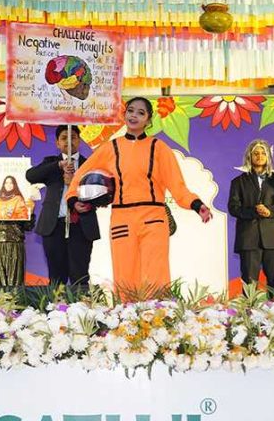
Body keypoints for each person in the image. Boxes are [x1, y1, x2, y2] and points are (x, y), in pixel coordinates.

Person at [66, 97, 213, 291]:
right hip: (121, 220)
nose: (134, 115)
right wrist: (73, 199)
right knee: (125, 276)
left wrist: (196, 205)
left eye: (141, 113)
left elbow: (177, 186)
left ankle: (158, 310)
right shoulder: (110, 148)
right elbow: (81, 174)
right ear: (124, 114)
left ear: (148, 120)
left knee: (156, 274)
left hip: (154, 218)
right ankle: (127, 311)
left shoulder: (159, 148)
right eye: (131, 111)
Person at [26, 125, 99, 287]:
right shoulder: (51, 163)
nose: (69, 141)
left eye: (73, 137)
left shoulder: (90, 164)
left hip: (81, 227)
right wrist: (59, 165)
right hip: (54, 226)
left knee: (80, 278)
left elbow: (102, 194)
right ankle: (56, 304)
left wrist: (80, 192)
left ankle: (80, 304)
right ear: (57, 143)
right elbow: (30, 176)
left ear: (79, 141)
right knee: (56, 278)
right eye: (64, 138)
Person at [228, 140, 274, 291]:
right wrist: (254, 211)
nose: (260, 156)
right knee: (249, 286)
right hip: (249, 240)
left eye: (263, 153)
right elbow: (233, 208)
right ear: (249, 157)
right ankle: (250, 308)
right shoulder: (238, 182)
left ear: (268, 156)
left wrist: (270, 211)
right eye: (256, 153)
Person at [0, 206, 34, 287]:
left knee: (15, 283)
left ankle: (15, 295)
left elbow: (28, 226)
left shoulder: (22, 199)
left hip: (15, 243)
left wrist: (30, 212)